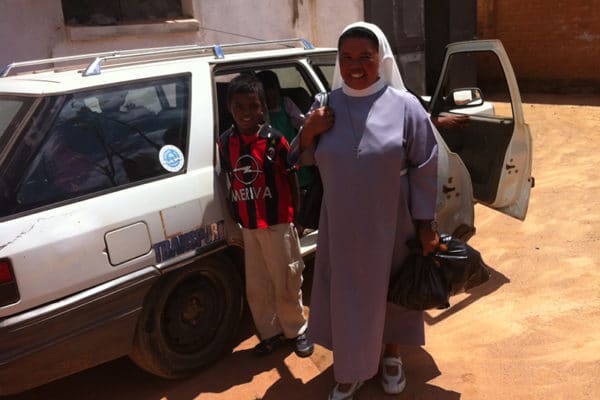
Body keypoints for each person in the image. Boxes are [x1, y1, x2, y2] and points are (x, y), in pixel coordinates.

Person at [293, 22, 440, 399]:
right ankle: (352, 369)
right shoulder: (324, 106)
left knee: (392, 290)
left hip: (392, 222)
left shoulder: (405, 107)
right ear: (337, 61)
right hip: (340, 224)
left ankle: (391, 356)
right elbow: (302, 159)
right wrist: (309, 130)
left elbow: (425, 164)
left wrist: (426, 224)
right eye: (346, 58)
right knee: (349, 296)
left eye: (365, 57)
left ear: (381, 59)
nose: (355, 66)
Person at [217, 74, 314, 358]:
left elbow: (292, 178)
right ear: (229, 108)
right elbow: (229, 179)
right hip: (249, 225)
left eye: (253, 106)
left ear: (263, 108)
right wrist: (233, 210)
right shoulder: (225, 143)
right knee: (257, 284)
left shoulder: (275, 141)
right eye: (239, 107)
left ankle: (296, 329)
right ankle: (270, 332)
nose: (246, 113)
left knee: (286, 277)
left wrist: (296, 216)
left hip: (278, 222)